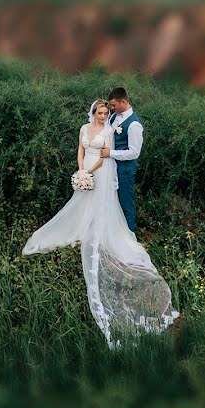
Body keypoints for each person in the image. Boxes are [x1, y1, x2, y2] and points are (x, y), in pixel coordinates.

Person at [21, 98, 179, 349]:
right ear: (94, 112)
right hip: (86, 167)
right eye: (101, 112)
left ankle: (98, 230)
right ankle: (81, 226)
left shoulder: (107, 131)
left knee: (99, 205)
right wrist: (80, 168)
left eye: (107, 112)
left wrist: (90, 171)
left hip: (101, 170)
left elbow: (105, 156)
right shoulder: (84, 129)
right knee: (80, 202)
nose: (104, 116)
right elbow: (81, 149)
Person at [101, 87, 142, 233]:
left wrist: (110, 153)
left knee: (126, 203)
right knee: (111, 201)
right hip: (110, 166)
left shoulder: (134, 125)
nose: (111, 108)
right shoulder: (114, 117)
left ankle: (129, 236)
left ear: (123, 102)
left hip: (125, 169)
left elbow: (134, 153)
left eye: (114, 105)